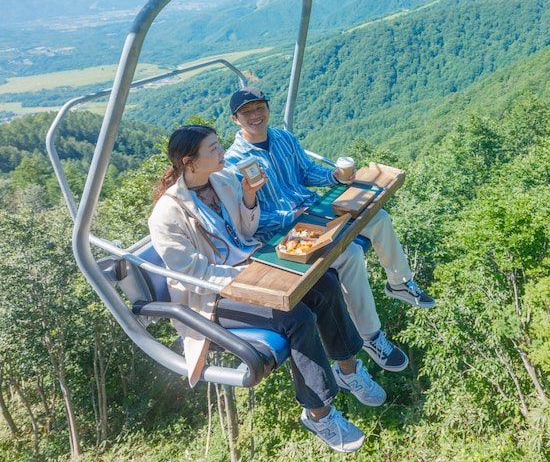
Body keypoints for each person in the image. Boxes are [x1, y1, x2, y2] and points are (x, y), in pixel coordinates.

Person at [148, 124, 386, 453]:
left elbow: (247, 229)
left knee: (326, 283)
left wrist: (248, 196)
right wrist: (246, 281)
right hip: (213, 296)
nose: (222, 154)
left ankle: (347, 369)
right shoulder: (167, 213)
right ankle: (319, 413)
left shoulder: (224, 180)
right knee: (296, 317)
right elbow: (192, 272)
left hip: (250, 267)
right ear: (190, 162)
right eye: (214, 149)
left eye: (219, 146)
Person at [224, 86, 436, 374]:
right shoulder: (234, 163)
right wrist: (291, 215)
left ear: (268, 108)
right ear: (236, 119)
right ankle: (371, 336)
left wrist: (333, 176)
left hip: (314, 212)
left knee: (379, 217)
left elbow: (306, 172)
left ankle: (398, 282)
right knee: (348, 254)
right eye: (247, 112)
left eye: (259, 107)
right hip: (284, 233)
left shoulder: (284, 139)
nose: (255, 115)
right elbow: (248, 219)